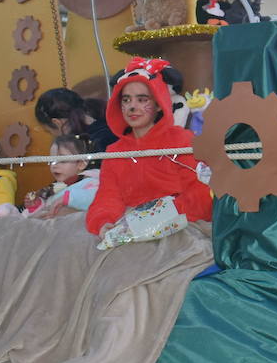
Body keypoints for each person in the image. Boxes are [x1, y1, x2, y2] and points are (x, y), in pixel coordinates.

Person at [84, 58, 212, 237]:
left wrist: (153, 220)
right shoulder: (115, 151)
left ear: (159, 104)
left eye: (142, 99)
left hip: (184, 227)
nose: (132, 107)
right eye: (126, 100)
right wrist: (103, 223)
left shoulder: (182, 140)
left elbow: (201, 196)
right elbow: (107, 197)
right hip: (129, 229)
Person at [26, 134, 100, 218]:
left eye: (62, 160)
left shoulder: (91, 182)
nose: (54, 165)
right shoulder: (54, 188)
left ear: (81, 164)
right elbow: (45, 209)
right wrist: (36, 205)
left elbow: (95, 197)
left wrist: (68, 198)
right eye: (51, 161)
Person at [35, 87, 117, 156]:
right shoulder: (111, 126)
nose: (52, 136)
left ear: (57, 123)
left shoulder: (91, 145)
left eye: (49, 131)